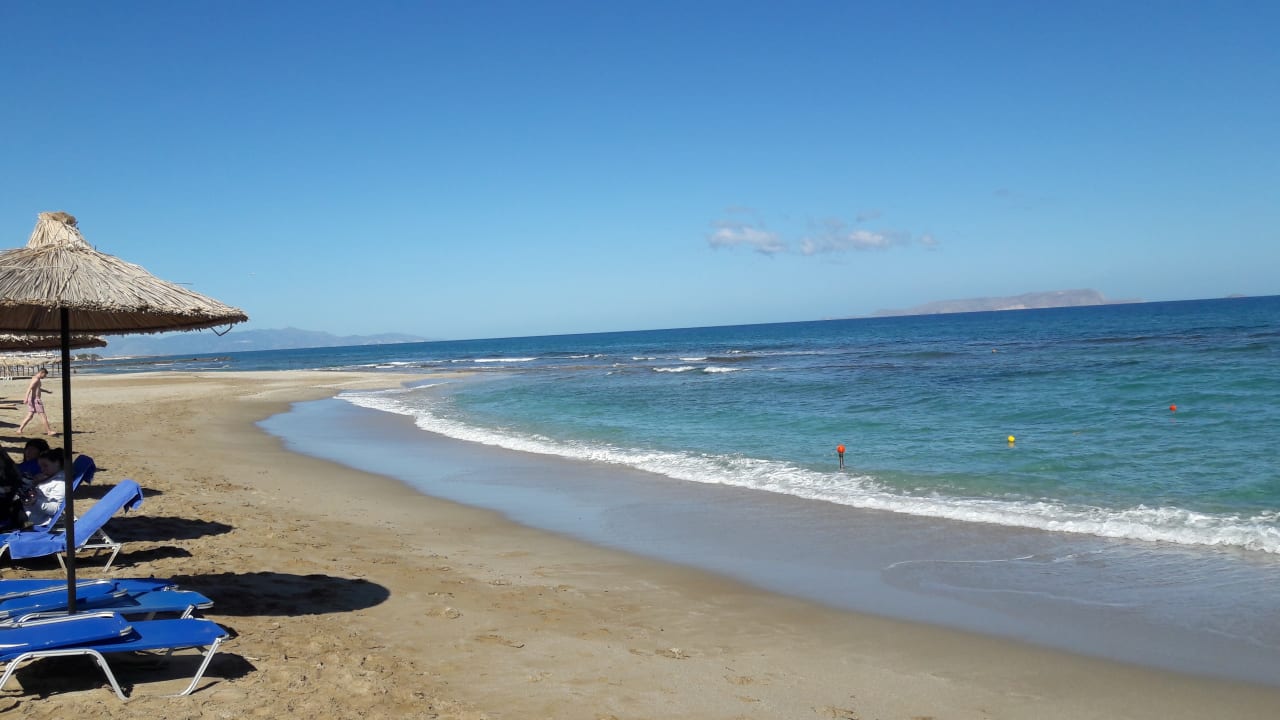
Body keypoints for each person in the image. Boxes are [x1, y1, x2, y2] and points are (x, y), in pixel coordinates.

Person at [23, 448, 67, 528]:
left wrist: (36, 502)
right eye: (41, 466)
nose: (42, 470)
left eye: (45, 466)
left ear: (57, 463)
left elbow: (56, 509)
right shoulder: (47, 478)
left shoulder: (60, 483)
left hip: (37, 521)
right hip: (30, 514)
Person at [17, 368, 55, 435]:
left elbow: (37, 388)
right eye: (45, 375)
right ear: (42, 373)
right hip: (35, 400)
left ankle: (19, 429)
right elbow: (29, 388)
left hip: (32, 399)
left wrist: (47, 391)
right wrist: (25, 398)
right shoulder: (36, 379)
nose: (45, 377)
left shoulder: (35, 378)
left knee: (30, 416)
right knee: (43, 416)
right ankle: (49, 431)